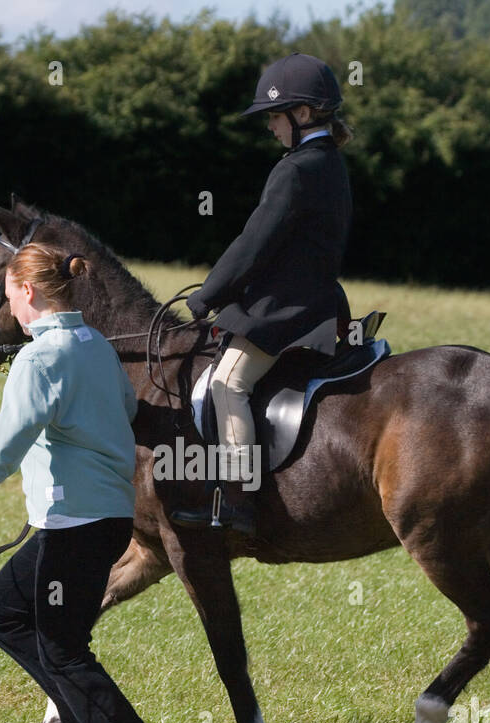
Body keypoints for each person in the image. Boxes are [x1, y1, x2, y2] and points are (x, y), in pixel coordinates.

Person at [0, 243, 162, 723]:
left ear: (27, 292)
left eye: (10, 296)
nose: (9, 307)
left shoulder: (38, 360)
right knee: (8, 614)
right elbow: (126, 408)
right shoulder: (97, 346)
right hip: (108, 521)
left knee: (56, 643)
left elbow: (4, 447)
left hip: (72, 524)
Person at [171, 52, 354, 536]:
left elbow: (253, 244)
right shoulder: (330, 162)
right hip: (321, 308)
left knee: (225, 383)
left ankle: (237, 500)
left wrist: (207, 295)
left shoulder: (295, 170)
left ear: (303, 113)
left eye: (274, 116)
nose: (270, 126)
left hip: (285, 311)